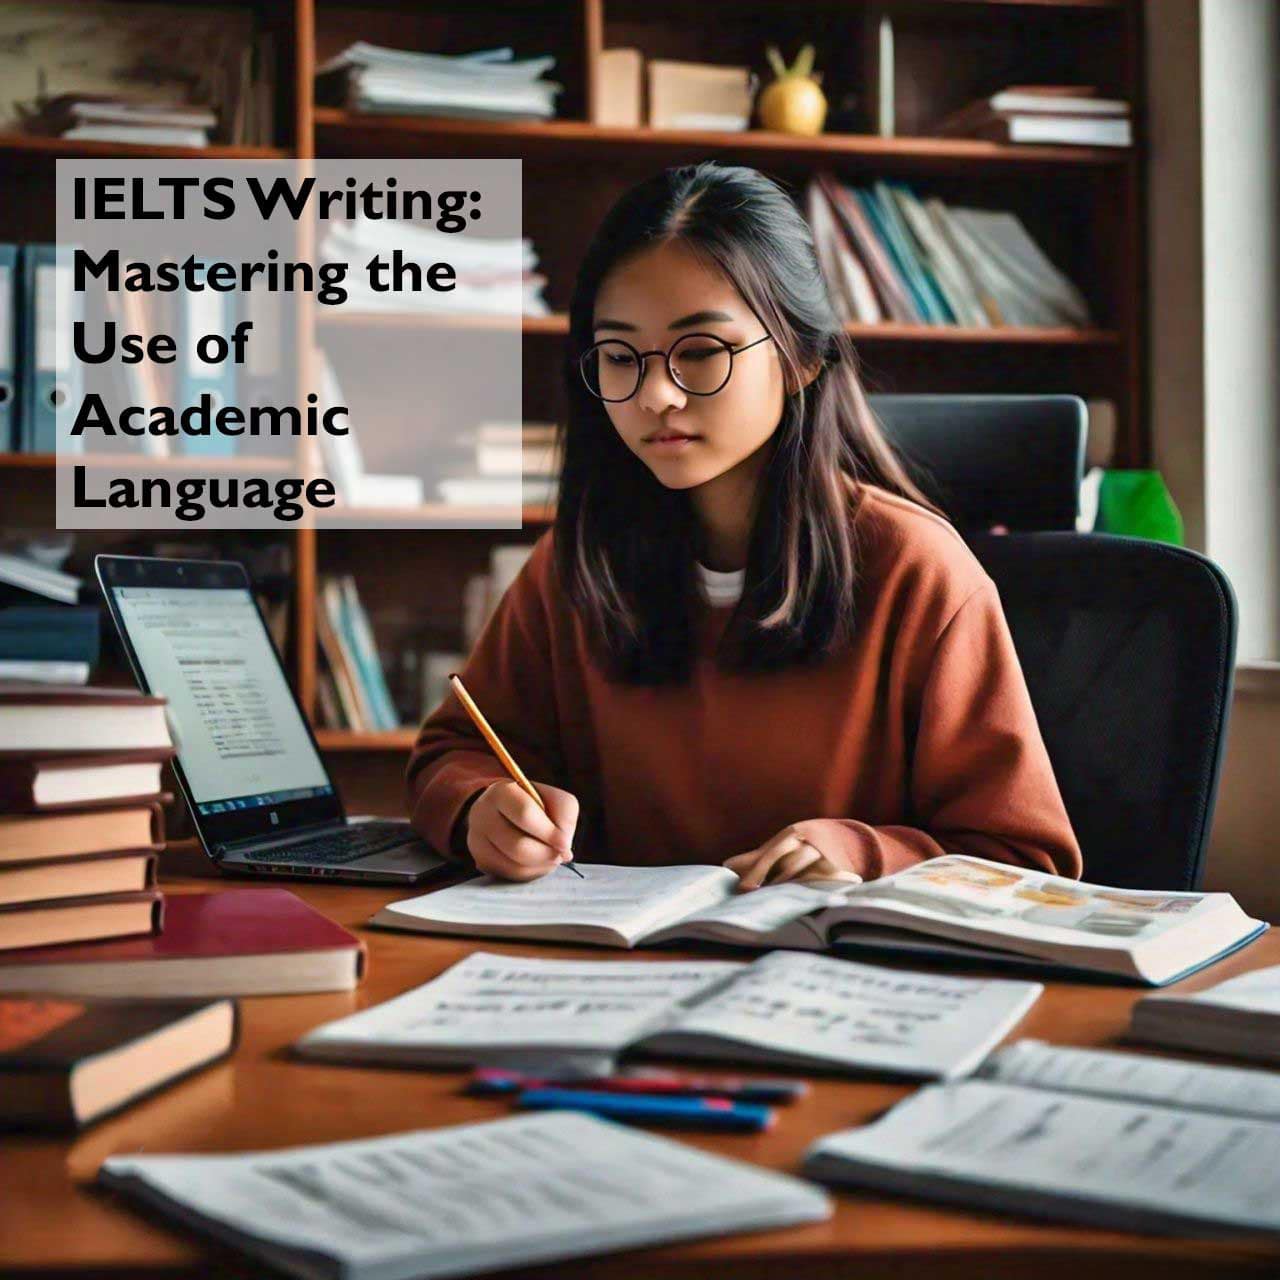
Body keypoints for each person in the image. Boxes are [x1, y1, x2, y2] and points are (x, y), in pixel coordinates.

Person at [406, 161, 1083, 890]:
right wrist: (482, 808)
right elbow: (451, 754)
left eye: (700, 352)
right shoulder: (577, 566)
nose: (656, 394)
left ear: (800, 358)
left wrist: (862, 856)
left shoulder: (919, 572)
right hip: (622, 975)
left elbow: (1026, 862)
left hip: (837, 986)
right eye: (619, 357)